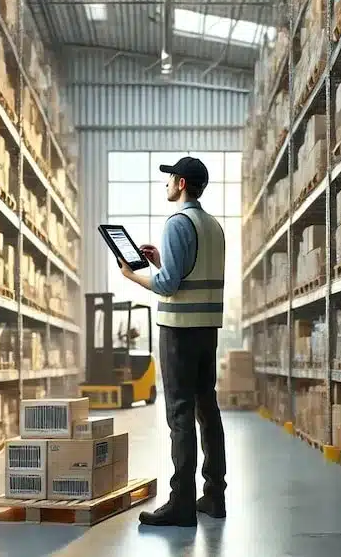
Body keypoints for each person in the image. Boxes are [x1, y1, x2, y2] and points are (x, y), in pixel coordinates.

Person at [117, 156, 227, 527]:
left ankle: (181, 503)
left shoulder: (178, 222)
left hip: (179, 330)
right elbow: (190, 274)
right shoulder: (212, 226)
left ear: (181, 183)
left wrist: (133, 276)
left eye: (170, 178)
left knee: (179, 414)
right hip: (207, 329)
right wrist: (162, 261)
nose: (166, 184)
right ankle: (214, 496)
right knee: (206, 409)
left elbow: (168, 285)